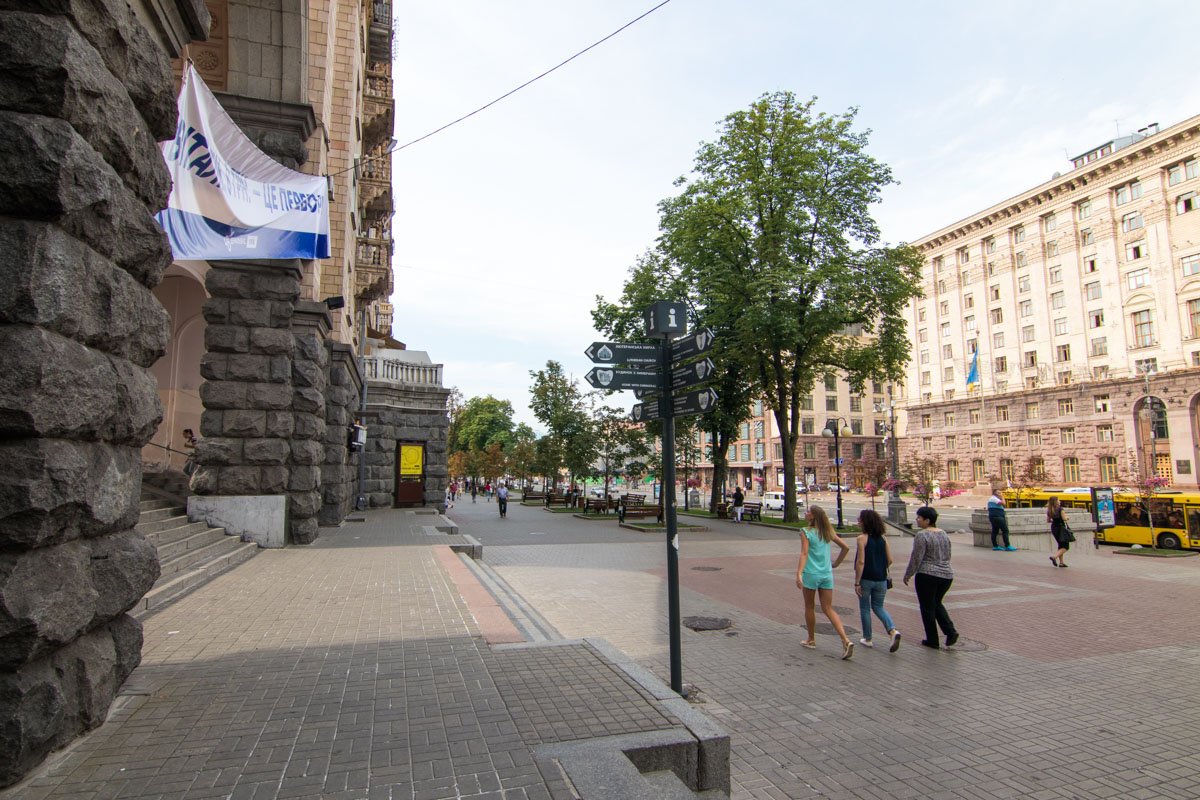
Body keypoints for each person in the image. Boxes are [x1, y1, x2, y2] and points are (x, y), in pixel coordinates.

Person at [796, 505, 854, 660]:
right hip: (826, 574)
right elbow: (846, 547)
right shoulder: (827, 532)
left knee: (809, 606)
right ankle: (845, 639)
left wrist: (799, 573)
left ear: (813, 516)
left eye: (808, 512)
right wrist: (835, 564)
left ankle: (811, 639)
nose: (806, 513)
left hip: (811, 574)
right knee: (828, 608)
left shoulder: (806, 532)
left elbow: (804, 553)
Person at [903, 506, 960, 649]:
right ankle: (950, 632)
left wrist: (908, 574)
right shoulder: (944, 534)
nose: (917, 520)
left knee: (927, 607)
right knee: (936, 603)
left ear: (927, 520)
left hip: (927, 575)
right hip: (946, 575)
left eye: (919, 518)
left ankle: (932, 640)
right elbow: (948, 554)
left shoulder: (922, 535)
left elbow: (917, 557)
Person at [854, 509, 900, 652]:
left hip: (866, 578)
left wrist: (857, 582)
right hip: (881, 579)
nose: (858, 521)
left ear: (865, 522)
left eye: (860, 519)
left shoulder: (862, 538)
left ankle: (868, 638)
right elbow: (890, 560)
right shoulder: (883, 538)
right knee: (879, 607)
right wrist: (880, 566)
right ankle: (892, 630)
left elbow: (860, 562)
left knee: (865, 608)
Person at [1047, 496, 1071, 568]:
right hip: (1061, 528)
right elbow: (1064, 519)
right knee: (1066, 546)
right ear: (1056, 501)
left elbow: (1048, 520)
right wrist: (1067, 518)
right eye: (1058, 500)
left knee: (1060, 545)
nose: (1059, 501)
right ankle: (1054, 557)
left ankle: (1061, 563)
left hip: (1054, 528)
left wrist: (1055, 520)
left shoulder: (1050, 510)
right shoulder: (1061, 509)